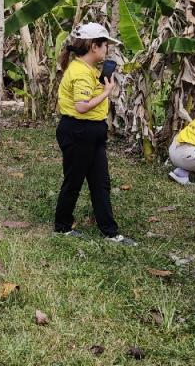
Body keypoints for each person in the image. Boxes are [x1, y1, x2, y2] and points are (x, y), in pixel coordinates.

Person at [52, 23, 136, 246]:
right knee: (74, 180)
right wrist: (106, 92)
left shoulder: (90, 70)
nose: (107, 50)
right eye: (105, 45)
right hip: (79, 130)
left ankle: (110, 231)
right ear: (93, 46)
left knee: (101, 182)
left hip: (93, 131)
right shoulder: (80, 72)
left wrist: (103, 87)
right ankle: (61, 226)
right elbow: (81, 106)